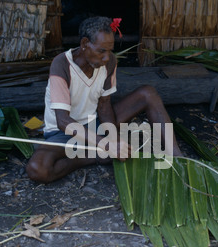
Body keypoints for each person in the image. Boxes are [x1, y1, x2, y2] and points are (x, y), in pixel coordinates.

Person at [26, 16, 183, 184]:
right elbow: (63, 121)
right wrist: (106, 145)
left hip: (96, 125)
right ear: (85, 43)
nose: (107, 57)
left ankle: (179, 158)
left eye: (110, 51)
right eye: (102, 51)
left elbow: (104, 106)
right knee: (38, 169)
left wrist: (113, 138)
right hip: (64, 133)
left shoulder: (108, 63)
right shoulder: (62, 65)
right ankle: (93, 157)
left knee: (148, 93)